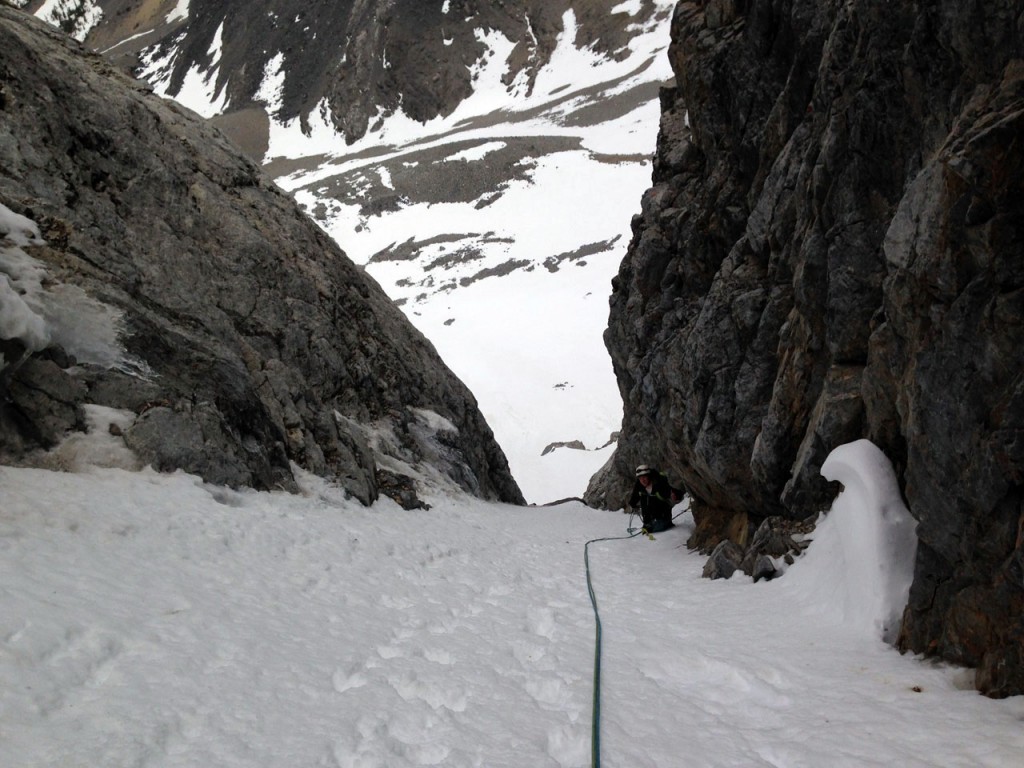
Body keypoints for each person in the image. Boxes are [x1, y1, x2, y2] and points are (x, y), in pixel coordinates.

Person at [629, 465, 680, 533]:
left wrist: (675, 495)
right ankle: (648, 525)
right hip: (648, 521)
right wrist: (632, 503)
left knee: (651, 529)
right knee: (647, 530)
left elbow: (671, 490)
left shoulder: (659, 482)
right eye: (640, 478)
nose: (642, 480)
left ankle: (660, 524)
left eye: (644, 477)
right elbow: (635, 496)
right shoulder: (639, 485)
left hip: (663, 518)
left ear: (649, 476)